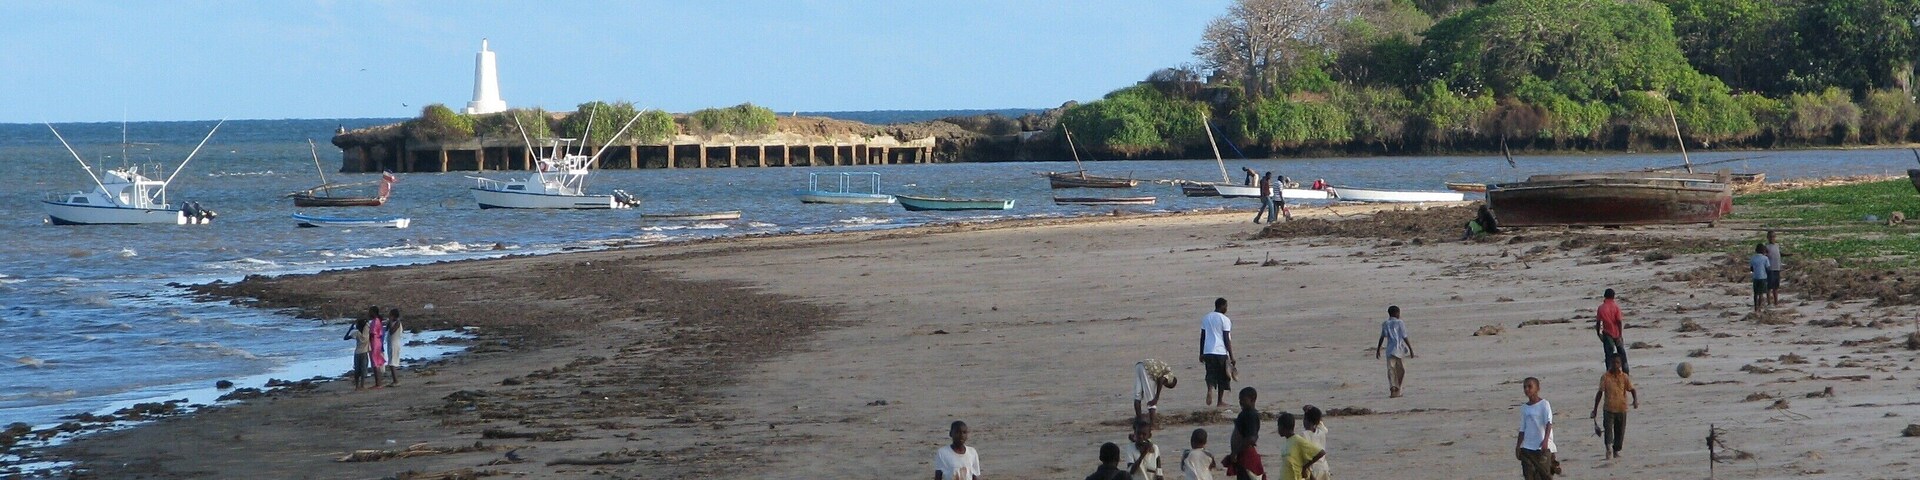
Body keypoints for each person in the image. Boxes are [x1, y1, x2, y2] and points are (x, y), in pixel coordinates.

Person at [1590, 356, 1638, 459]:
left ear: (1620, 364)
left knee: (1620, 432)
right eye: (1613, 363)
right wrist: (1595, 409)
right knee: (1608, 430)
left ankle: (1616, 450)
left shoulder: (1624, 377)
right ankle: (1608, 449)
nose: (1615, 365)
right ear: (1610, 363)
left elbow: (1632, 389)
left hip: (1622, 408)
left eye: (1617, 363)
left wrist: (1635, 401)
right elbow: (1600, 393)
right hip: (1608, 408)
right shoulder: (1605, 377)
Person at [1516, 377, 1557, 480]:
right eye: (1524, 387)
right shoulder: (1524, 408)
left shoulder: (1544, 404)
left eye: (1530, 386)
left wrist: (1545, 441)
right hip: (1527, 448)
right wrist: (1518, 446)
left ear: (1537, 388)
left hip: (1542, 447)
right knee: (1529, 476)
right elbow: (1522, 429)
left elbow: (1548, 423)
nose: (1527, 389)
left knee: (1543, 475)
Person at [1199, 298, 1235, 408]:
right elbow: (1226, 338)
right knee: (1223, 377)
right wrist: (1232, 355)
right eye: (1226, 306)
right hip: (1220, 352)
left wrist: (1201, 353)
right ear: (1222, 306)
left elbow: (1203, 337)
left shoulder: (1206, 318)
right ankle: (1220, 401)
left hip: (1208, 351)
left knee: (1210, 373)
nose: (1226, 308)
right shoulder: (1225, 319)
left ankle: (1210, 389)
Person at [1224, 387, 1264, 480]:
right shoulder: (1244, 414)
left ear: (1252, 399)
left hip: (1247, 456)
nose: (1240, 402)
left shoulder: (1251, 415)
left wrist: (1235, 452)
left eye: (1243, 399)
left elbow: (1252, 438)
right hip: (1242, 455)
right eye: (1239, 399)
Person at [1374, 306, 1413, 398]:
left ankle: (1393, 386)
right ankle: (1398, 387)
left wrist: (1378, 349)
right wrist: (1410, 349)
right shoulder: (1400, 322)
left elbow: (1382, 337)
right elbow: (1404, 336)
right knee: (1401, 370)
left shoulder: (1385, 323)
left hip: (1389, 350)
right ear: (1396, 313)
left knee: (1391, 370)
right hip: (1399, 349)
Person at [1274, 412, 1324, 480]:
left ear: (1283, 426)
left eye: (1279, 426)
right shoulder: (1287, 442)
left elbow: (1320, 452)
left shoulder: (1298, 440)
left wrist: (1304, 468)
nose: (1278, 429)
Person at [1594, 289, 1628, 374]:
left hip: (1607, 334)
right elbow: (1619, 321)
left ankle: (1609, 373)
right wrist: (1620, 334)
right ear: (1613, 296)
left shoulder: (1601, 308)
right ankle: (1625, 372)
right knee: (1622, 353)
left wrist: (1598, 333)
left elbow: (1598, 322)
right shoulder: (1616, 307)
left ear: (1604, 296)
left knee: (1609, 355)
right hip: (1617, 333)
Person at [1135, 359, 1178, 424]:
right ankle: (1153, 424)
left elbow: (1160, 379)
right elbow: (1161, 380)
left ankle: (1139, 420)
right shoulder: (1170, 377)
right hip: (1148, 369)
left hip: (1140, 365)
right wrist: (1156, 397)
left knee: (1137, 396)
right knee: (1152, 400)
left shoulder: (1166, 370)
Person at [1299, 406, 1329, 480]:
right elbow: (1320, 422)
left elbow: (1304, 457)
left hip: (1313, 469)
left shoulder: (1303, 435)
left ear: (1307, 420)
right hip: (1324, 467)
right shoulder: (1322, 431)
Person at [342, 316, 372, 390]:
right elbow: (367, 323)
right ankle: (362, 385)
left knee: (357, 370)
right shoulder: (366, 332)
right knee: (363, 369)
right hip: (364, 352)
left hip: (357, 353)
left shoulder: (356, 333)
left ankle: (357, 386)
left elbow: (345, 338)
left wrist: (350, 329)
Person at [366, 306, 387, 389]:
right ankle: (379, 382)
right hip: (377, 341)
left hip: (374, 342)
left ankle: (378, 383)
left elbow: (373, 333)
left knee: (375, 363)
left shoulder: (375, 321)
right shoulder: (377, 321)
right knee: (377, 362)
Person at [384, 307, 404, 386]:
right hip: (391, 343)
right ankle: (394, 380)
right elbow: (386, 330)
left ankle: (396, 381)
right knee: (391, 361)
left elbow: (392, 331)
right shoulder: (391, 322)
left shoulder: (397, 323)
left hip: (394, 344)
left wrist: (390, 322)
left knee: (392, 362)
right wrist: (389, 323)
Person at [1765, 231, 1785, 306]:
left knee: (1776, 287)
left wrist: (1789, 254)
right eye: (1770, 237)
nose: (1772, 238)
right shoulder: (1766, 247)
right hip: (1770, 269)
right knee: (1769, 286)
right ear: (1767, 238)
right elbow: (1765, 256)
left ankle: (1776, 302)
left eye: (1773, 237)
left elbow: (1779, 254)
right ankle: (1769, 302)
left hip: (1777, 268)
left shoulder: (1777, 245)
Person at [1749, 243, 1770, 312]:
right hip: (1763, 277)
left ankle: (1755, 307)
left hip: (1755, 277)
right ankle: (1759, 307)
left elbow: (1751, 269)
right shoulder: (1765, 258)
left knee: (1755, 293)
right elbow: (1767, 268)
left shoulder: (1753, 258)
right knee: (1761, 293)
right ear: (1764, 251)